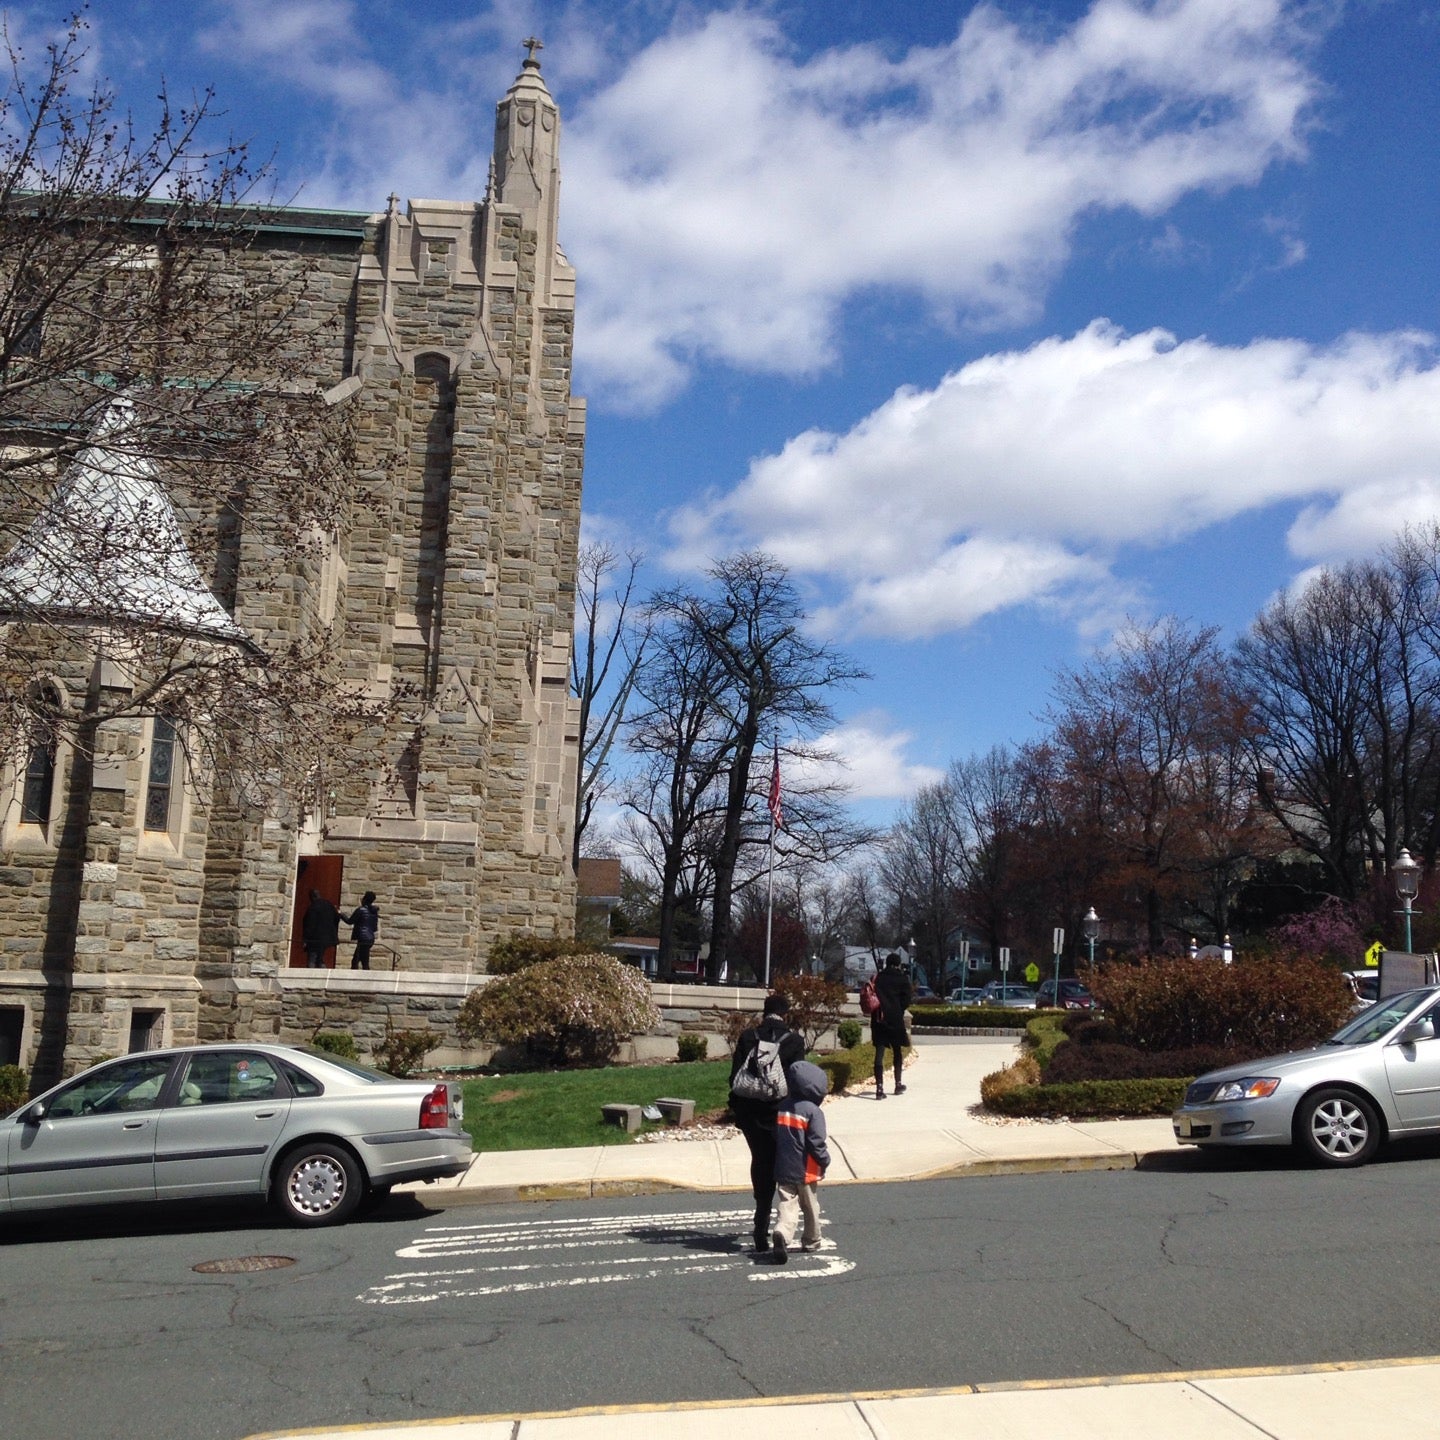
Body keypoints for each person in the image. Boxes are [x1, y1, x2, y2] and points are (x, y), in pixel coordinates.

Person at [729, 993, 805, 1254]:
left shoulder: (748, 1037)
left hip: (751, 1114)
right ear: (785, 1013)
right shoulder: (794, 1041)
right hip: (780, 1114)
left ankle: (760, 1224)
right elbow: (798, 1083)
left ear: (764, 1012)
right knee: (783, 1168)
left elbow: (734, 1078)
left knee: (760, 1161)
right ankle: (782, 1228)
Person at [771, 1059, 831, 1263]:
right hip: (806, 1169)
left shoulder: (782, 1107)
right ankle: (811, 1240)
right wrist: (824, 1160)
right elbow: (816, 1142)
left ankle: (782, 1232)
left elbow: (776, 1136)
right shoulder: (813, 1112)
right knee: (810, 1206)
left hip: (784, 1166)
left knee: (788, 1204)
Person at [872, 951, 913, 1098]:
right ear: (898, 964)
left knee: (879, 1052)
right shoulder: (902, 979)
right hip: (895, 1018)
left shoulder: (878, 978)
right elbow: (907, 1000)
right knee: (897, 1051)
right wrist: (899, 1008)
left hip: (878, 1018)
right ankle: (898, 1084)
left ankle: (879, 1089)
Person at [301, 889, 341, 968]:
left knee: (312, 958)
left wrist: (305, 939)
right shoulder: (329, 905)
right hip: (327, 938)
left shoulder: (313, 907)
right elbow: (337, 918)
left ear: (313, 897)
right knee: (320, 958)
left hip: (314, 938)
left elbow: (309, 924)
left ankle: (310, 977)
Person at [343, 891, 380, 970]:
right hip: (370, 938)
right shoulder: (374, 912)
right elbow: (374, 927)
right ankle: (365, 977)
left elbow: (350, 921)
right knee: (364, 960)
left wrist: (340, 914)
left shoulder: (360, 910)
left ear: (365, 899)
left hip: (363, 939)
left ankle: (357, 978)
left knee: (356, 961)